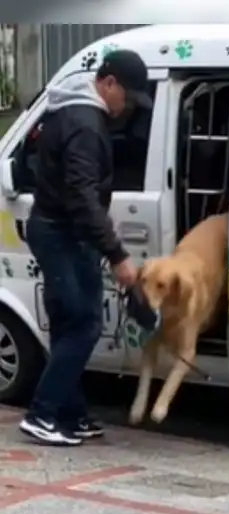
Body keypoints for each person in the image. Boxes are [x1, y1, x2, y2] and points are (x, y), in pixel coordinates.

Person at [18, 49, 151, 446]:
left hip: (62, 230)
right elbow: (82, 197)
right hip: (63, 233)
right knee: (85, 323)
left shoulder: (73, 112)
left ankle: (70, 414)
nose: (126, 108)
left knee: (68, 323)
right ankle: (42, 414)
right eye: (126, 97)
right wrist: (117, 254)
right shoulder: (86, 124)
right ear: (108, 83)